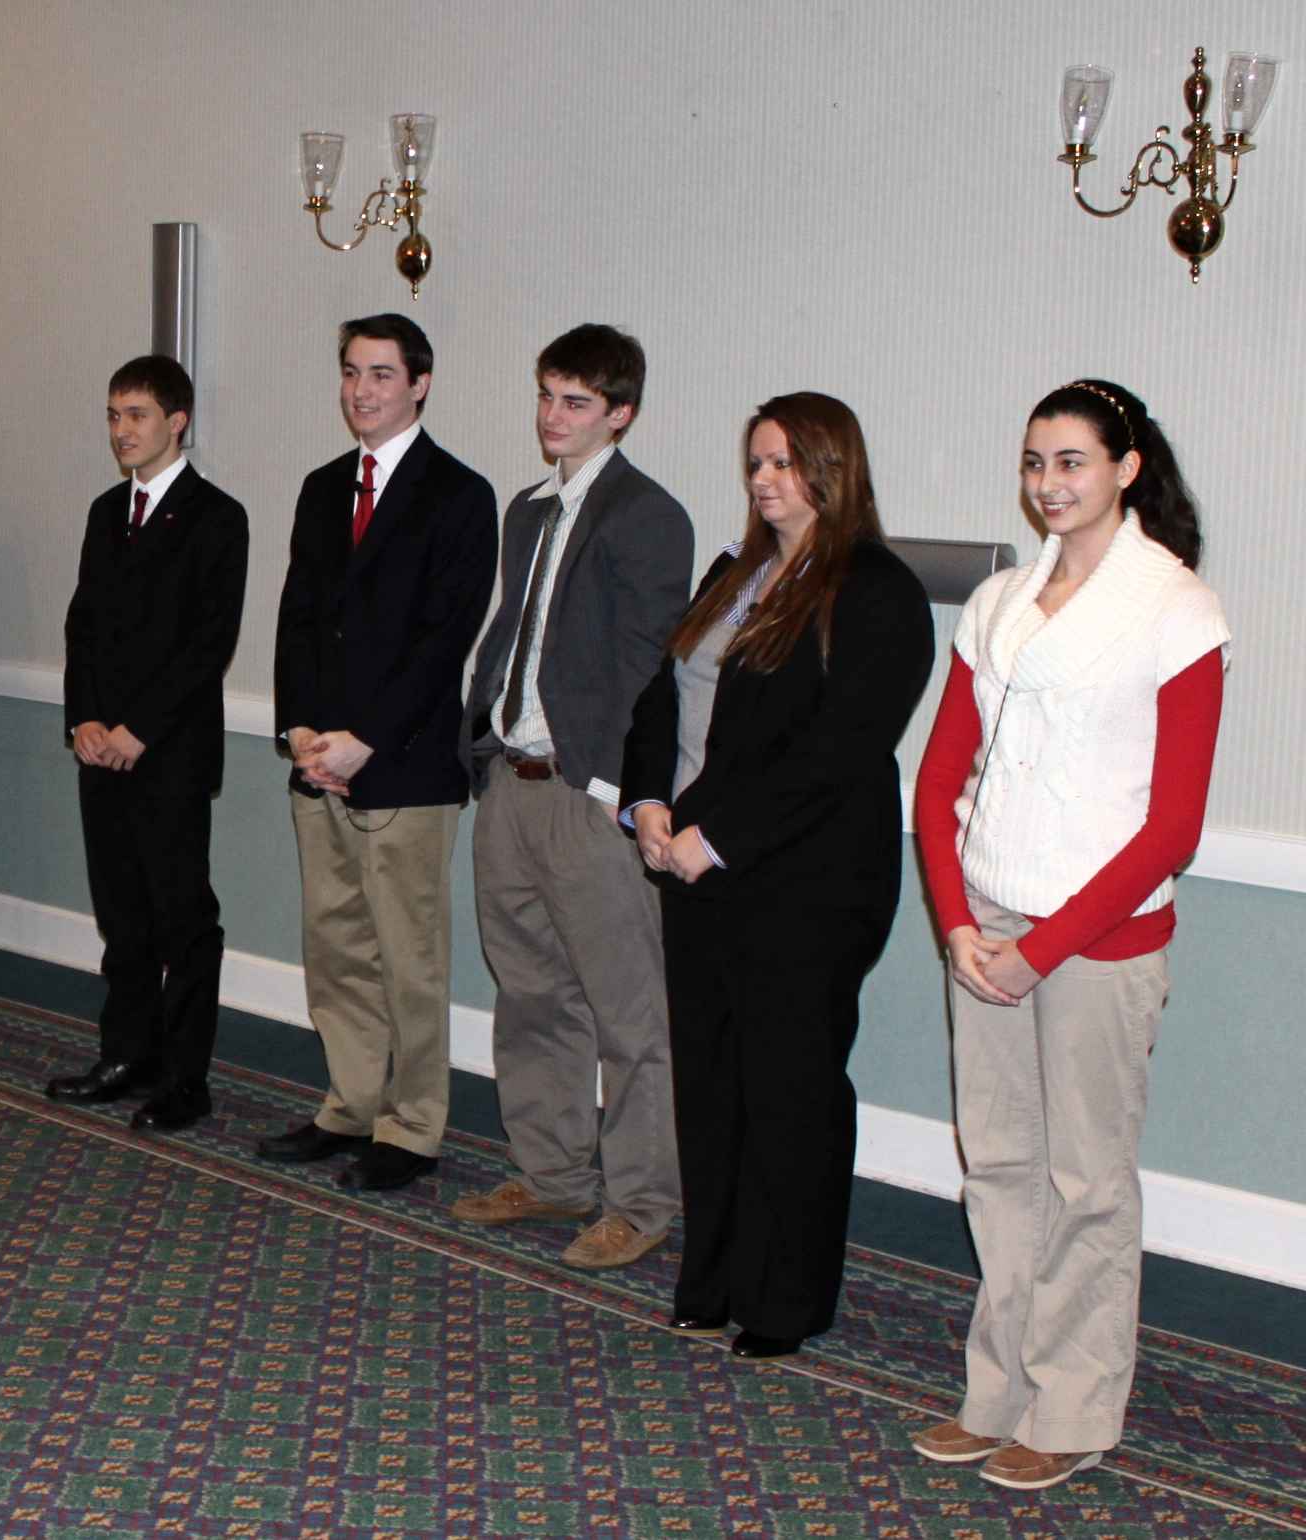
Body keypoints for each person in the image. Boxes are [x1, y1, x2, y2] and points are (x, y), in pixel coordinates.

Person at [908, 381, 1228, 1492]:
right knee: (998, 1167)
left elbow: (1171, 826)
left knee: (1086, 1178)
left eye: (1073, 462)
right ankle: (996, 1388)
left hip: (1100, 935)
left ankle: (1078, 1405)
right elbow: (941, 778)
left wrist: (1041, 949)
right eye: (1036, 462)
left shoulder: (1176, 608)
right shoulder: (996, 601)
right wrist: (957, 920)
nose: (1050, 483)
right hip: (986, 918)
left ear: (1126, 469)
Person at [621, 392, 931, 1359]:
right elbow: (657, 698)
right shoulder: (735, 571)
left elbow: (837, 751)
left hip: (807, 883)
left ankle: (784, 1298)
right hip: (696, 867)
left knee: (787, 1086)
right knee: (711, 1079)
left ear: (833, 470)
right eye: (757, 462)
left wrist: (718, 837)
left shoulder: (875, 588)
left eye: (788, 462)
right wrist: (650, 805)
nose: (766, 480)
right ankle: (711, 1277)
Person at [455, 324, 692, 1269]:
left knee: (630, 1015)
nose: (554, 416)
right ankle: (551, 1174)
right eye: (547, 395)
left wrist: (611, 788)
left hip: (585, 797)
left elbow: (646, 665)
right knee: (531, 993)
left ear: (621, 413)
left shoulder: (648, 515)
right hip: (509, 784)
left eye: (576, 402)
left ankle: (640, 1200)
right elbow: (515, 631)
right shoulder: (526, 509)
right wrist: (480, 742)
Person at [261, 313, 498, 1193]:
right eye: (352, 373)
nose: (362, 391)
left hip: (403, 764)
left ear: (421, 384)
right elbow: (296, 618)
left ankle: (412, 1126)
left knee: (407, 954)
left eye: (382, 375)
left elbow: (445, 640)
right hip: (316, 760)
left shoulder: (458, 494)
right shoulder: (324, 487)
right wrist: (299, 730)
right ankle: (352, 1104)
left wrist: (364, 741)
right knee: (334, 945)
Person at [47, 355, 249, 1133]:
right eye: (112, 416)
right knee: (121, 917)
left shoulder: (215, 516)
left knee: (182, 918)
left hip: (169, 754)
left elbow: (208, 644)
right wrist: (85, 720)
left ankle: (184, 1078)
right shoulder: (105, 512)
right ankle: (125, 1052)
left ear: (177, 421)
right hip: (101, 750)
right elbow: (83, 628)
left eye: (135, 415)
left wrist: (139, 730)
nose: (121, 431)